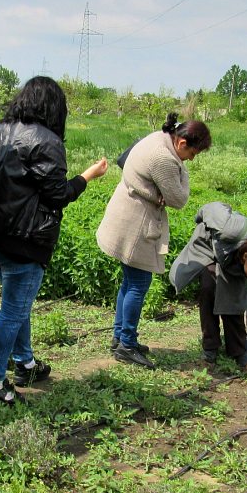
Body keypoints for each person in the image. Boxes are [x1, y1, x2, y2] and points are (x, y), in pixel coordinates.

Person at [0, 76, 109, 404]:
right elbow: (57, 195)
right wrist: (88, 176)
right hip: (22, 239)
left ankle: (25, 362)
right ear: (55, 108)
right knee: (13, 310)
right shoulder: (45, 140)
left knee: (18, 302)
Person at [96, 112, 211, 369]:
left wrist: (158, 189)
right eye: (192, 154)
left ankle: (121, 337)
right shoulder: (165, 158)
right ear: (182, 143)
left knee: (129, 281)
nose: (191, 160)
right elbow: (180, 200)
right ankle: (126, 344)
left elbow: (124, 161)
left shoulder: (158, 137)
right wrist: (180, 176)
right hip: (136, 225)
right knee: (138, 283)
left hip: (125, 214)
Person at [169, 202, 247, 375]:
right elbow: (212, 207)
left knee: (234, 297)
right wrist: (198, 218)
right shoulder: (229, 228)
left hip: (232, 259)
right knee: (208, 288)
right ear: (246, 257)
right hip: (209, 244)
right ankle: (210, 345)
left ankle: (238, 349)